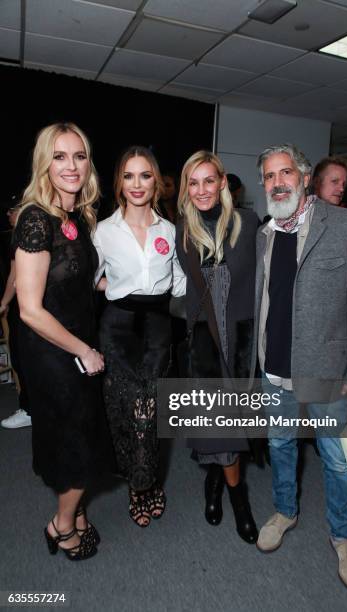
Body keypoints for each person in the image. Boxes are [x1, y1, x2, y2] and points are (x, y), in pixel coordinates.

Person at [252, 144, 347, 591]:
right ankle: (286, 511)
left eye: (286, 172)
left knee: (337, 459)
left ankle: (343, 536)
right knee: (281, 445)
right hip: (276, 370)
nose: (278, 182)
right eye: (269, 176)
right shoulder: (264, 234)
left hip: (328, 371)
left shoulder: (345, 225)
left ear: (305, 177)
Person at [13, 122, 113, 560]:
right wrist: (84, 350)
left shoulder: (76, 216)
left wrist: (108, 284)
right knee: (75, 440)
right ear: (45, 165)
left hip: (76, 343)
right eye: (59, 156)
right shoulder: (35, 219)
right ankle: (62, 526)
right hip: (55, 351)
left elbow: (69, 281)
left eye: (79, 156)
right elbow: (30, 309)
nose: (71, 166)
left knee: (81, 433)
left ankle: (75, 512)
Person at [93, 146, 185, 527]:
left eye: (144, 175)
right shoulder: (103, 231)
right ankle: (138, 485)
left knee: (151, 411)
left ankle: (147, 481)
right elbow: (89, 280)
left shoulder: (170, 230)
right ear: (119, 182)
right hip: (118, 328)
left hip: (158, 329)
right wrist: (116, 288)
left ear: (156, 181)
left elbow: (179, 282)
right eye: (129, 176)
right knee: (127, 414)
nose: (137, 184)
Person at [176, 151, 259, 544]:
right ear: (185, 189)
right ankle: (237, 497)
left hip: (241, 340)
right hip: (205, 342)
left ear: (223, 183)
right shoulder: (183, 231)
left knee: (232, 421)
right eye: (193, 183)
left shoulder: (250, 224)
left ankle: (214, 481)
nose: (202, 190)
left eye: (209, 180)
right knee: (218, 421)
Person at [1, 204, 32, 428]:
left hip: (29, 308)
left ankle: (31, 410)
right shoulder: (19, 234)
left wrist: (3, 302)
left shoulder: (26, 232)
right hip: (25, 306)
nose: (8, 214)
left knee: (24, 358)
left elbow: (15, 275)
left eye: (12, 209)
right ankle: (31, 408)